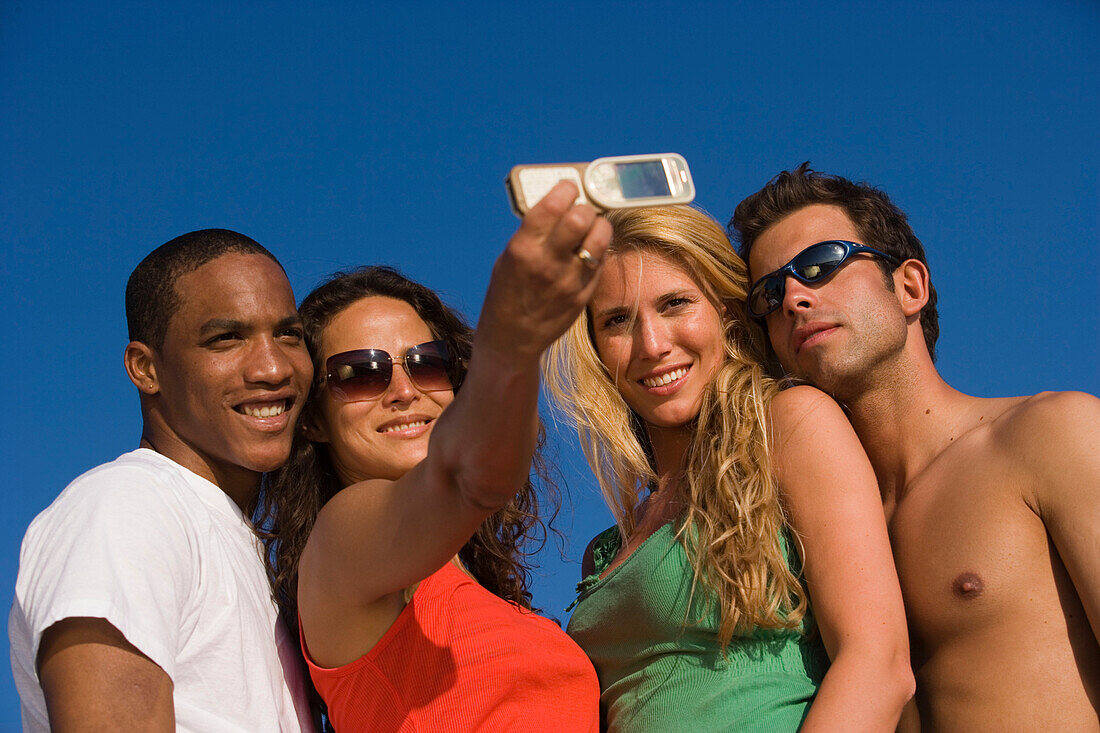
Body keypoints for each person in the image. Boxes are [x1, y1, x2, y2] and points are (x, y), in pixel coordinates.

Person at [731, 163, 1100, 730]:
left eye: (821, 264)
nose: (794, 298)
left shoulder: (1052, 435)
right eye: (770, 292)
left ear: (909, 287)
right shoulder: (797, 532)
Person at [543, 204, 913, 732]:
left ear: (727, 313)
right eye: (618, 321)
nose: (652, 345)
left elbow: (878, 665)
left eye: (675, 305)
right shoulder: (604, 550)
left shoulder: (789, 424)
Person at [256, 182, 606, 732]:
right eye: (360, 373)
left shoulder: (473, 590)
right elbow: (466, 478)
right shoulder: (341, 543)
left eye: (426, 363)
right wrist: (513, 340)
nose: (404, 390)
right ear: (316, 419)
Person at [9, 229, 316, 731]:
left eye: (288, 334)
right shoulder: (128, 505)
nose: (273, 366)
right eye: (226, 338)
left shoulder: (237, 542)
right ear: (145, 368)